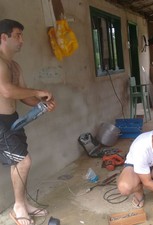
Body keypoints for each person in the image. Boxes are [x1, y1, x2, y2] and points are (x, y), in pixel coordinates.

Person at [0, 19, 56, 225]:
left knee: (20, 162)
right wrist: (38, 91)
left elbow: (24, 96)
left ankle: (23, 203)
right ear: (3, 37)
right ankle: (18, 207)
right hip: (0, 122)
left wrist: (41, 103)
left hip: (12, 119)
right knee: (23, 161)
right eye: (18, 35)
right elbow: (6, 90)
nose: (22, 40)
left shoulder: (14, 65)